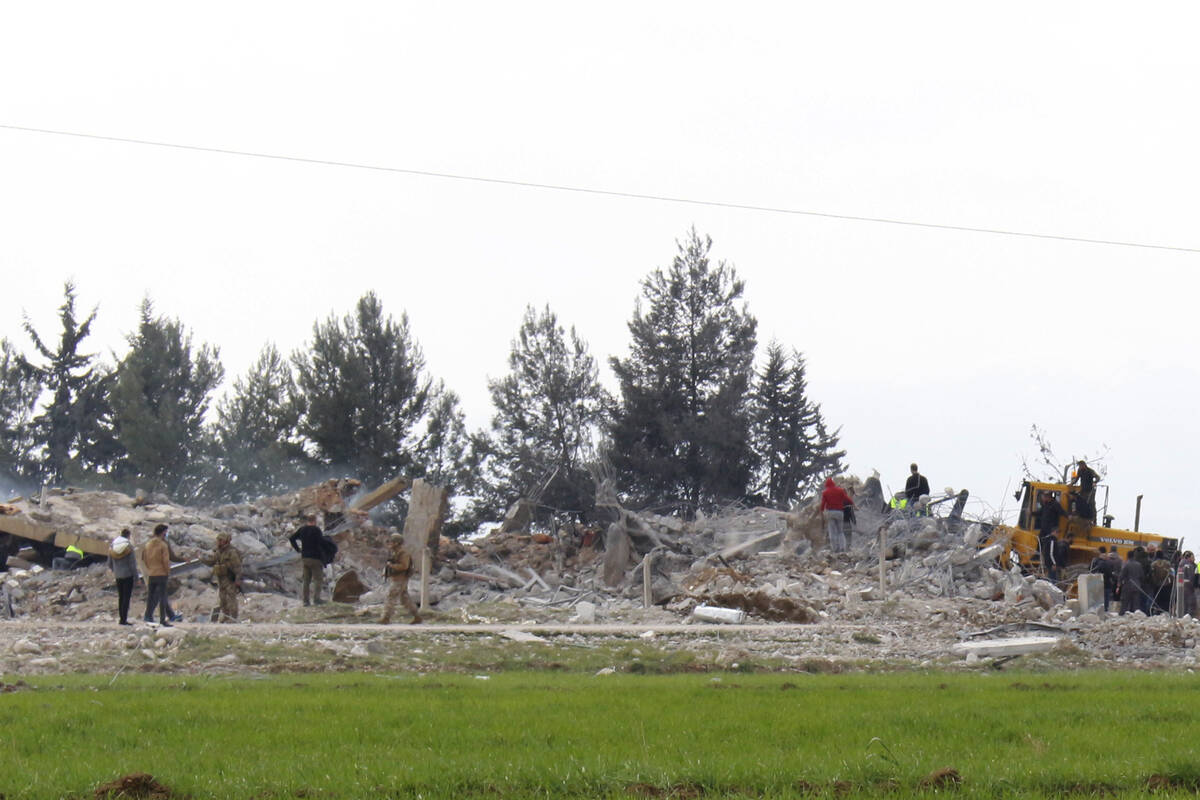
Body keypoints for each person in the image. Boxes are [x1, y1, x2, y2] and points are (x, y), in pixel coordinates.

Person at [380, 533, 421, 624]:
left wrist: (392, 566)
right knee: (405, 599)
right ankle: (417, 616)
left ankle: (386, 617)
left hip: (400, 579)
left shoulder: (403, 553)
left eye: (392, 542)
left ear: (397, 543)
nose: (390, 544)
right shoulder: (395, 552)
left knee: (391, 597)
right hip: (396, 578)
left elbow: (404, 566)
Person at [203, 532, 242, 623]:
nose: (218, 542)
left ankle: (233, 617)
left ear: (226, 541)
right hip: (221, 578)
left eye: (221, 540)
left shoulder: (231, 552)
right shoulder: (218, 551)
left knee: (231, 598)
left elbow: (238, 567)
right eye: (218, 540)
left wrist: (237, 579)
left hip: (229, 578)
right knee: (222, 598)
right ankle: (226, 616)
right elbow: (211, 561)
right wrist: (201, 558)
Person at [289, 514, 327, 606]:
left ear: (307, 521)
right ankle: (316, 599)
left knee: (306, 580)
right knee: (318, 579)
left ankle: (306, 601)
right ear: (314, 521)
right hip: (315, 558)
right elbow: (321, 543)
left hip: (305, 557)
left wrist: (298, 549)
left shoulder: (302, 529)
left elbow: (291, 538)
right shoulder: (317, 530)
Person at [142, 524, 173, 626]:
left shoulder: (148, 544)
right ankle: (162, 619)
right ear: (163, 532)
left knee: (150, 597)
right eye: (165, 532)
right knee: (163, 597)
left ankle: (148, 617)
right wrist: (167, 571)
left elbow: (144, 559)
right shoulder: (163, 545)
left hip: (152, 573)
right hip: (162, 574)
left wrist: (150, 569)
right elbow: (166, 561)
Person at [107, 529, 139, 625]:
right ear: (128, 536)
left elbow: (109, 563)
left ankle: (121, 618)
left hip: (118, 575)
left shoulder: (113, 546)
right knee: (126, 597)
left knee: (121, 597)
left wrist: (115, 570)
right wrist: (136, 577)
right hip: (128, 575)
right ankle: (124, 619)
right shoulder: (129, 547)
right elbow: (132, 564)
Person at [1036, 491, 1066, 581]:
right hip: (1045, 530)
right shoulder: (1046, 506)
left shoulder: (1055, 505)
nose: (1043, 498)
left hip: (1048, 528)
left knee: (1052, 579)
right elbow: (1039, 513)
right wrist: (1032, 513)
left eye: (1044, 496)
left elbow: (1052, 553)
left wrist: (1054, 564)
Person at [820, 477, 853, 553]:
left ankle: (835, 549)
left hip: (830, 513)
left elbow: (823, 504)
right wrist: (853, 504)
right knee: (840, 531)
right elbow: (847, 499)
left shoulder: (825, 492)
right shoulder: (840, 490)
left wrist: (821, 511)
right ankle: (842, 548)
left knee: (832, 532)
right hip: (840, 513)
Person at [1089, 546, 1116, 612]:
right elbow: (1110, 573)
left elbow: (1090, 569)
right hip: (1106, 584)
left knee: (1096, 598)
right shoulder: (1107, 563)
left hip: (1095, 583)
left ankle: (1095, 610)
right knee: (1106, 599)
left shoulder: (1095, 561)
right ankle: (1105, 611)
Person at [1119, 549, 1145, 615]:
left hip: (1127, 586)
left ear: (1127, 556)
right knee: (1136, 604)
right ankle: (1136, 618)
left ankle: (1122, 616)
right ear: (1134, 556)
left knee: (1125, 603)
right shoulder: (1139, 565)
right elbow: (1142, 576)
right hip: (1137, 586)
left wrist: (1119, 584)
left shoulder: (1126, 564)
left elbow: (1121, 575)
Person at [1149, 550, 1173, 616]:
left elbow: (1152, 575)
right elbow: (1171, 574)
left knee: (1157, 600)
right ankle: (1165, 613)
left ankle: (1157, 613)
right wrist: (1171, 582)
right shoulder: (1168, 564)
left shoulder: (1153, 564)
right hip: (1166, 585)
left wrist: (1155, 582)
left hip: (1157, 586)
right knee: (1165, 601)